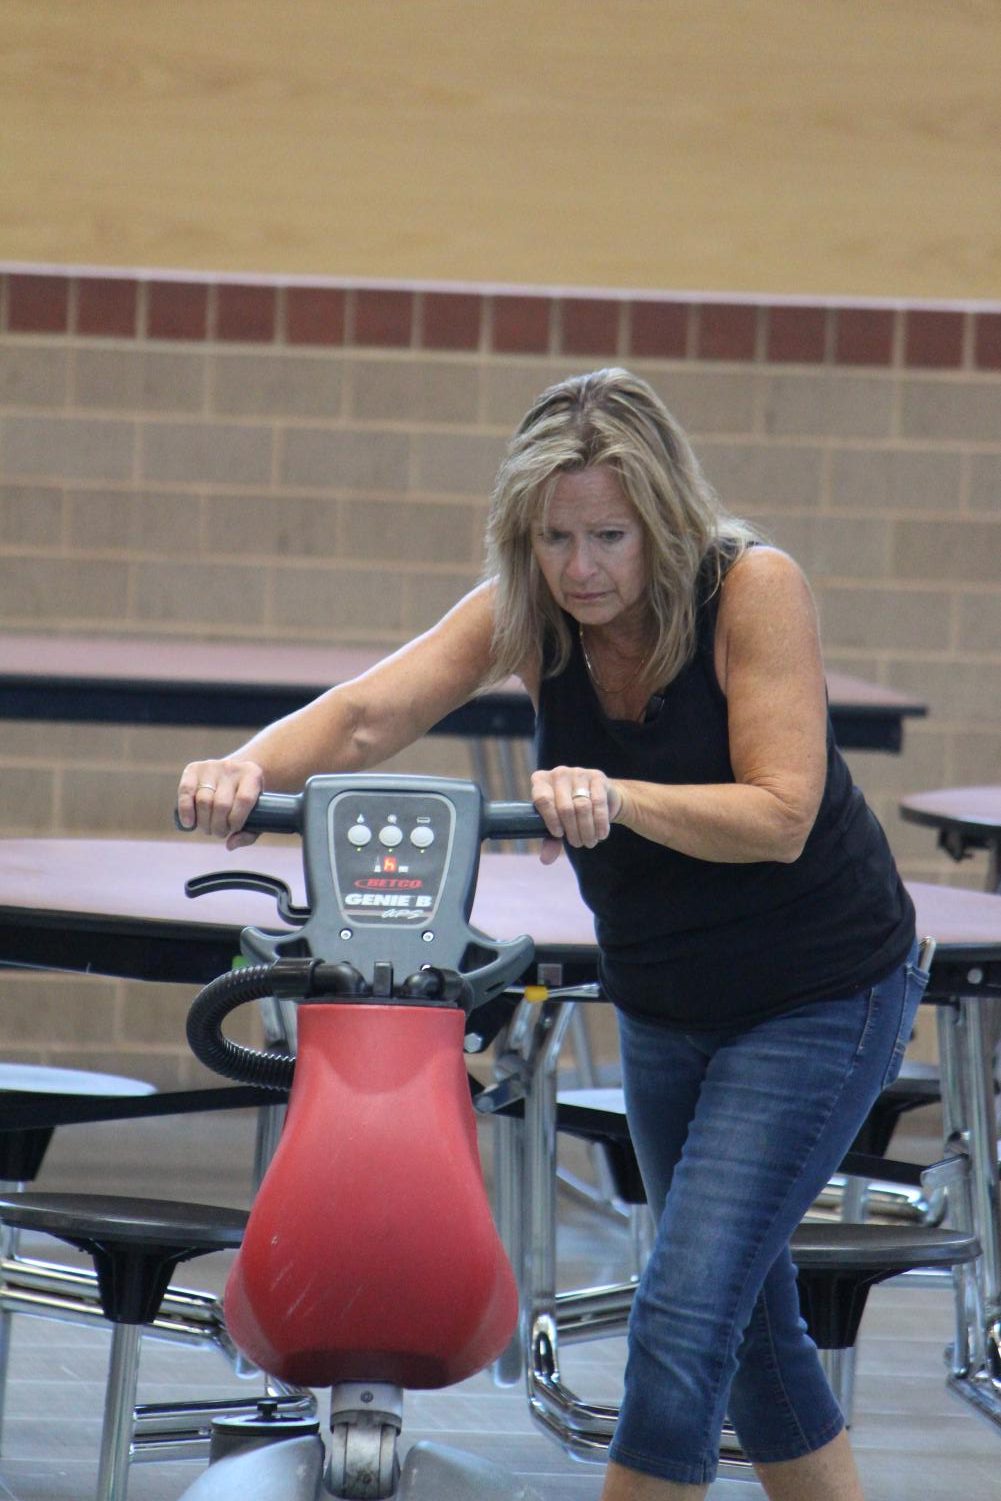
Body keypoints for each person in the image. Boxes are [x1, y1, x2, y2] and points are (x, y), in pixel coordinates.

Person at [178, 368, 923, 1501]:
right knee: (755, 1340)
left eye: (609, 537)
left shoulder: (750, 589)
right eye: (553, 537)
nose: (580, 568)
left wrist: (616, 796)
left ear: (662, 519)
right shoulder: (533, 606)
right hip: (669, 1006)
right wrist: (249, 767)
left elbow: (778, 815)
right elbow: (372, 711)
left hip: (818, 997)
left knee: (678, 1317)